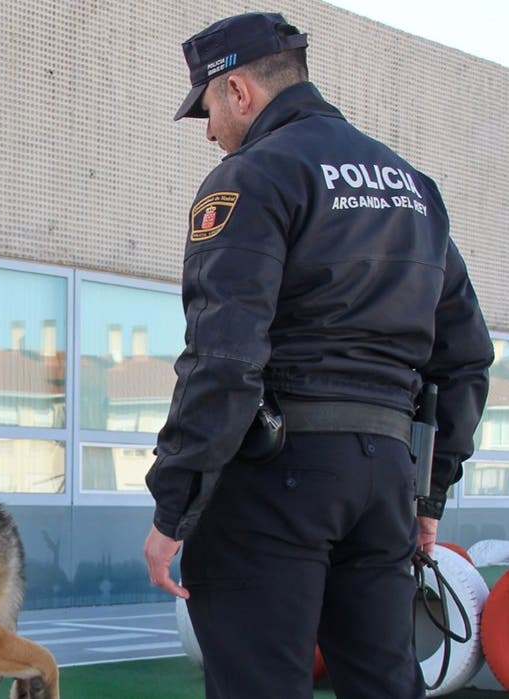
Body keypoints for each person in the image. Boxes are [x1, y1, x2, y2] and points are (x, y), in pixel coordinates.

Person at [142, 11, 493, 699]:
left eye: (208, 108)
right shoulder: (412, 190)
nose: (209, 130)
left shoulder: (252, 177)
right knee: (384, 684)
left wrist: (171, 505)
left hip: (276, 478)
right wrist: (428, 491)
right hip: (385, 479)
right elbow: (466, 356)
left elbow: (222, 357)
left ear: (238, 90)